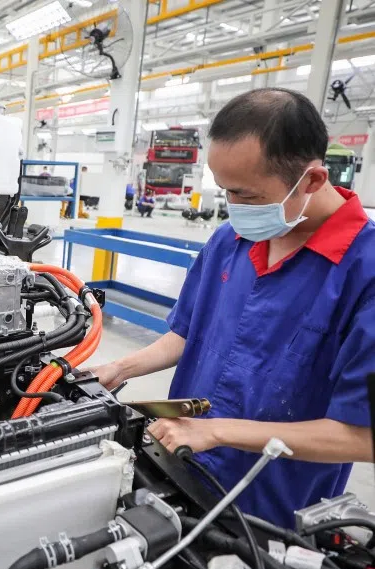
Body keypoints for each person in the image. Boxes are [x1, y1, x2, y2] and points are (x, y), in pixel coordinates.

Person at [90, 88, 375, 528]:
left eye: (246, 195)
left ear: (314, 181)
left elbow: (363, 436)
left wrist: (216, 431)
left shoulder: (365, 273)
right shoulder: (230, 242)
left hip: (271, 512)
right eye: (224, 192)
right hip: (179, 472)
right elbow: (186, 334)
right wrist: (120, 369)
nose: (233, 209)